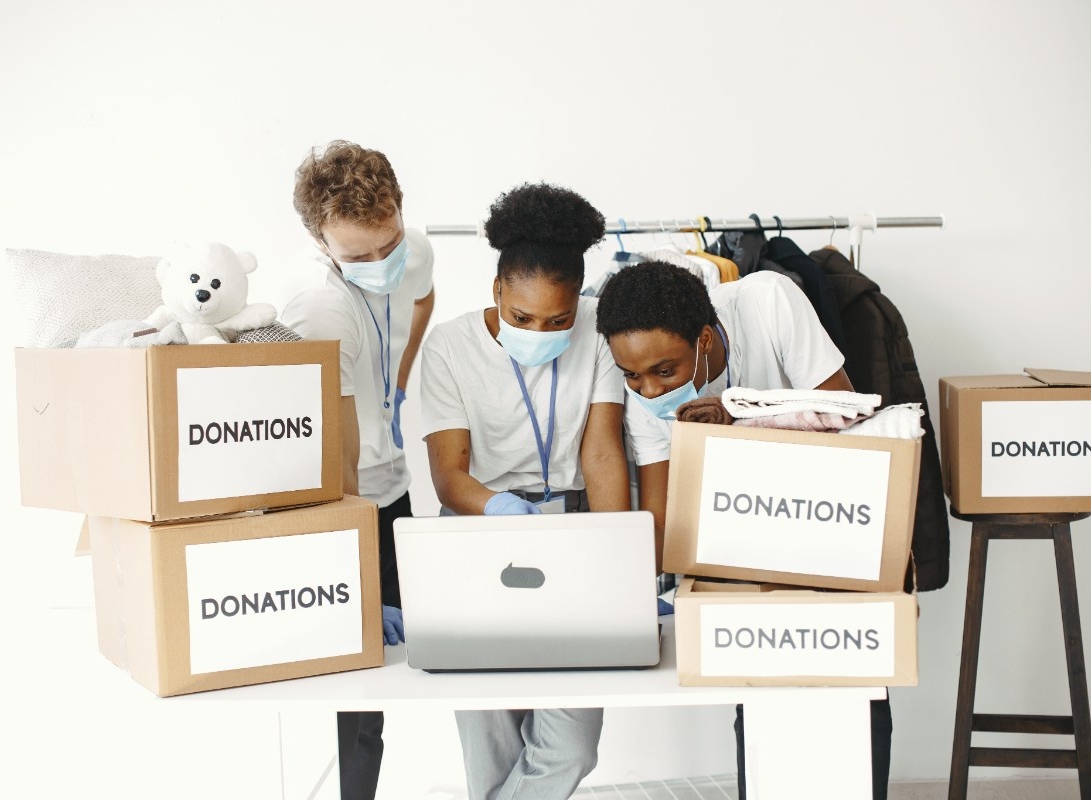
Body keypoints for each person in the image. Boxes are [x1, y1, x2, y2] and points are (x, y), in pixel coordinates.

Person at [594, 260, 891, 800]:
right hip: (747, 546)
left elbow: (848, 420)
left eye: (665, 370)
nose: (649, 388)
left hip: (833, 528)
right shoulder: (645, 404)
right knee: (759, 708)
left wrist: (742, 419)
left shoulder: (767, 302)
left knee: (853, 703)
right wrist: (648, 588)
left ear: (705, 340)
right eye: (631, 375)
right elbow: (666, 524)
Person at [419, 182, 630, 799]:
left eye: (558, 319)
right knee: (492, 740)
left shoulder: (598, 332)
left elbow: (600, 450)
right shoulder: (450, 348)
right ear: (496, 291)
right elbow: (449, 476)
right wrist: (509, 512)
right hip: (479, 531)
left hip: (573, 527)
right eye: (522, 318)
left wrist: (620, 554)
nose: (541, 331)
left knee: (571, 744)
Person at [280, 140, 434, 800]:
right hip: (340, 495)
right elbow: (333, 457)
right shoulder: (318, 307)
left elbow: (422, 300)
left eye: (387, 244)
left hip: (395, 483)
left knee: (411, 657)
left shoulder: (415, 248)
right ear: (321, 241)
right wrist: (355, 572)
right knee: (359, 683)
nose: (381, 264)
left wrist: (395, 386)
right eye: (357, 256)